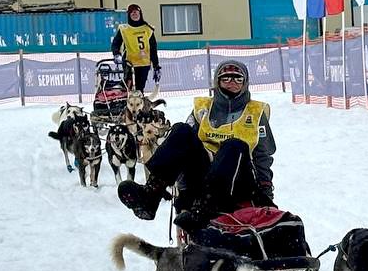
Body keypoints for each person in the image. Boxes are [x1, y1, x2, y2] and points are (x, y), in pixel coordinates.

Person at [117, 60, 277, 232]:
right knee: (181, 130)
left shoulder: (256, 112)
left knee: (233, 145)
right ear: (218, 81)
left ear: (245, 82)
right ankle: (150, 196)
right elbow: (183, 144)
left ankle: (205, 211)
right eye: (226, 78)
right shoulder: (202, 109)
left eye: (238, 78)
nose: (232, 82)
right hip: (205, 173)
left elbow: (263, 156)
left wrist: (266, 192)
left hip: (240, 178)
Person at [111, 4, 161, 92]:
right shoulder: (124, 29)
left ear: (140, 14)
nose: (135, 15)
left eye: (136, 13)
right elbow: (116, 43)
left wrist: (156, 66)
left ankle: (139, 104)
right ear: (129, 15)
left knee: (139, 89)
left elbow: (153, 49)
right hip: (129, 63)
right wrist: (116, 54)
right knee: (128, 88)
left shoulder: (148, 29)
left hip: (144, 63)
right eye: (132, 13)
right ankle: (127, 104)